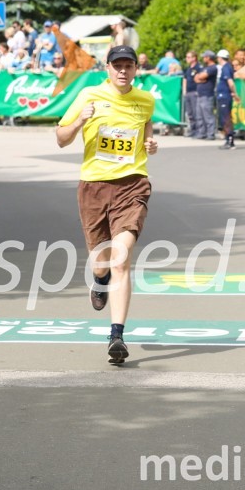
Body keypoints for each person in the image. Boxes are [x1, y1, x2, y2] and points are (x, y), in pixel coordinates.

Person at [55, 45, 158, 364]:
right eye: (117, 66)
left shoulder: (146, 100)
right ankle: (100, 281)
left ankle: (117, 335)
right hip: (94, 188)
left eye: (129, 65)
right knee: (102, 264)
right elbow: (61, 138)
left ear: (136, 69)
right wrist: (79, 121)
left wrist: (150, 143)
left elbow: (146, 127)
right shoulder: (89, 95)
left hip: (132, 184)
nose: (123, 71)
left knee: (121, 258)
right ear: (108, 68)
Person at [214, 49, 240, 150]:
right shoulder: (226, 67)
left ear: (220, 58)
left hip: (225, 96)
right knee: (224, 118)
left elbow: (230, 82)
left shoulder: (226, 68)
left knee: (226, 118)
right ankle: (227, 139)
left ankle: (230, 140)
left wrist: (234, 93)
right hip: (223, 95)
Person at [193, 50, 218, 140]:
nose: (203, 58)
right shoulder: (205, 68)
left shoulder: (213, 68)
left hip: (207, 94)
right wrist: (200, 78)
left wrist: (200, 78)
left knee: (208, 115)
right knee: (199, 115)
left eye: (204, 57)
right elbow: (196, 78)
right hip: (200, 94)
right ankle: (201, 133)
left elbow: (201, 77)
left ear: (209, 58)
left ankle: (211, 134)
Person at [182, 51, 202, 137]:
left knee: (195, 112)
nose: (187, 59)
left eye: (189, 57)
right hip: (188, 92)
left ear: (194, 58)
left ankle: (198, 130)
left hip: (195, 92)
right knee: (190, 113)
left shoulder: (198, 67)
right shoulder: (188, 69)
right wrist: (184, 91)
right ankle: (193, 130)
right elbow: (185, 79)